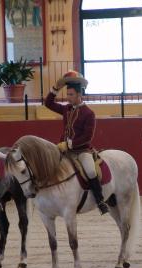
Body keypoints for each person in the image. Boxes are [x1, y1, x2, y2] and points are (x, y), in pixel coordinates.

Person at [45, 70, 109, 215]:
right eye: (67, 94)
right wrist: (55, 88)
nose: (68, 97)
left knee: (91, 171)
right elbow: (48, 103)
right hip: (62, 149)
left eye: (71, 95)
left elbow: (87, 137)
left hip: (81, 151)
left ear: (79, 95)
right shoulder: (67, 109)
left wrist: (69, 145)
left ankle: (100, 201)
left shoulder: (89, 113)